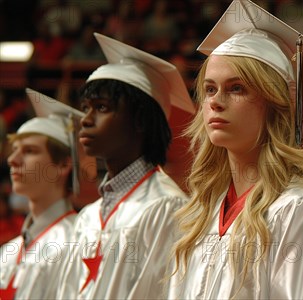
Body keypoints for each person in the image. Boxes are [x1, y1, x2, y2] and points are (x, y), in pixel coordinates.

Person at [167, 0, 303, 298]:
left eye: (237, 88)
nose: (216, 102)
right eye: (209, 89)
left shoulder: (296, 209)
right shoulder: (202, 211)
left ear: (274, 103)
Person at [55, 33, 195, 299]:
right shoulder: (88, 216)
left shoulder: (166, 207)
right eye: (85, 107)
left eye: (102, 107)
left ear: (140, 120)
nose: (85, 119)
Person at [1, 89, 85, 299]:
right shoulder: (10, 250)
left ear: (63, 165)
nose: (13, 160)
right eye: (15, 149)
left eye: (29, 151)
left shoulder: (79, 241)